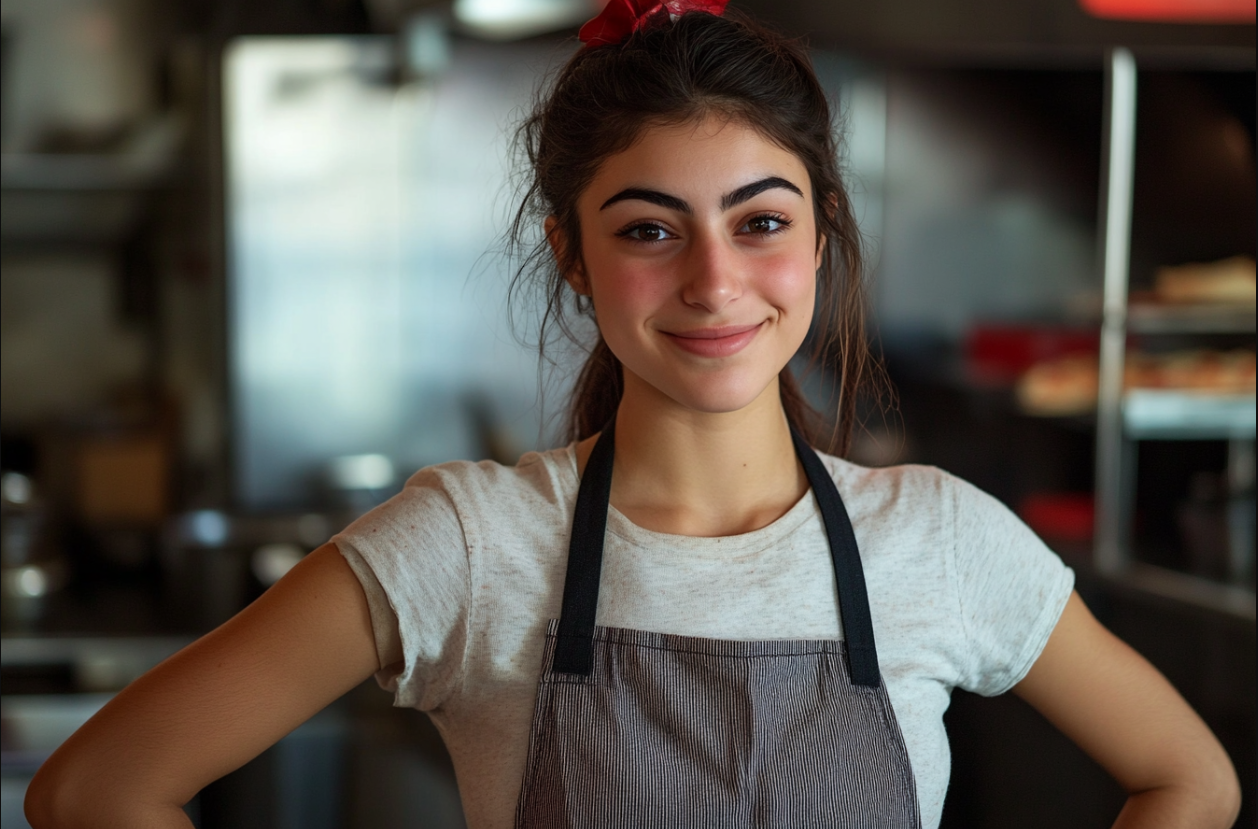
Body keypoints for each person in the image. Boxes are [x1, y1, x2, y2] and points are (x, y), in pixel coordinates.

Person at [25, 4, 1241, 828]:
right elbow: (97, 788)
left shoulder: (939, 540)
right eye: (650, 230)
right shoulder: (471, 542)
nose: (713, 282)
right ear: (572, 254)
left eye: (759, 221)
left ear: (820, 232)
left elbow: (1191, 781)